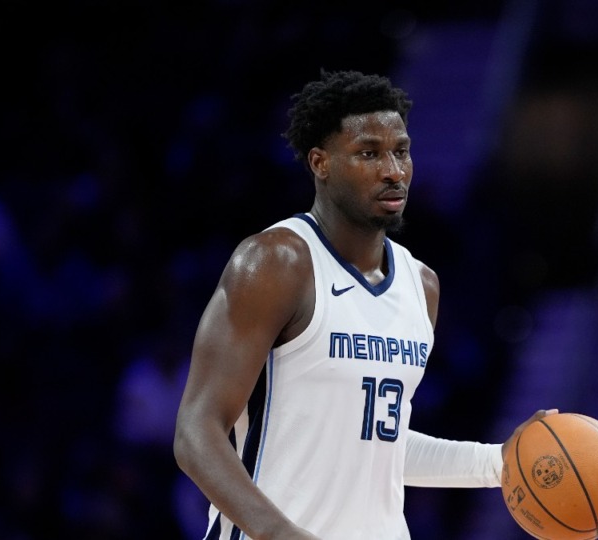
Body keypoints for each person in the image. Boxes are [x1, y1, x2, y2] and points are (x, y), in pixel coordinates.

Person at [173, 69, 554, 540]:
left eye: (401, 151)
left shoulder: (421, 285)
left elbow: (379, 444)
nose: (393, 170)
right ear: (321, 163)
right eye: (369, 153)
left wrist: (499, 462)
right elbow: (196, 430)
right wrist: (276, 531)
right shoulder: (276, 262)